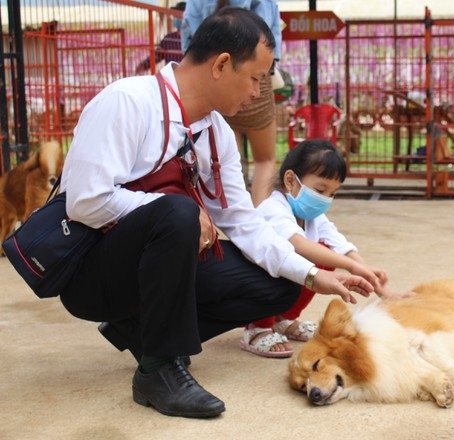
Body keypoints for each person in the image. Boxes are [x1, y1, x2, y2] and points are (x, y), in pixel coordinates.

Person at [58, 8, 373, 419]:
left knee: (279, 286)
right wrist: (182, 210)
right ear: (223, 64)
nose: (260, 92)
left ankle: (140, 332)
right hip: (94, 275)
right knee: (176, 213)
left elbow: (243, 221)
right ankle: (158, 369)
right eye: (257, 77)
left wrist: (314, 275)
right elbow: (84, 201)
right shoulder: (127, 102)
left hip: (162, 267)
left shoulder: (216, 130)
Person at [240, 139, 412, 358]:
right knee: (308, 256)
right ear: (291, 180)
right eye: (320, 189)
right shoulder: (273, 208)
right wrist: (350, 266)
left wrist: (383, 291)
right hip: (252, 284)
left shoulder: (312, 217)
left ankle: (284, 320)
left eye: (332, 193)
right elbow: (300, 245)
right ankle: (257, 327)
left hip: (278, 283)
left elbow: (341, 246)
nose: (325, 199)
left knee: (324, 255)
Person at [181, 0, 282, 206]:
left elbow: (188, 31)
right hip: (248, 67)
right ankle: (259, 211)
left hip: (207, 75)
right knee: (265, 159)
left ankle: (233, 200)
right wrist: (263, 74)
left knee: (226, 158)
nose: (255, 90)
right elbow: (272, 36)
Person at [135, 2, 187, 75]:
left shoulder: (194, 38)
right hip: (170, 79)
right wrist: (142, 66)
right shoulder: (168, 39)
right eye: (174, 16)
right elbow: (157, 56)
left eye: (177, 15)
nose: (175, 18)